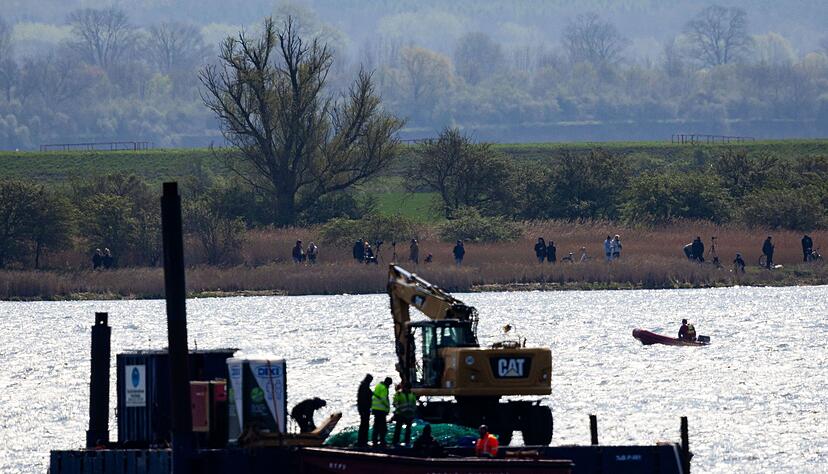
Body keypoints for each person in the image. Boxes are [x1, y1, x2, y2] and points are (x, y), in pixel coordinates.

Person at [371, 377, 393, 447]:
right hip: (381, 410)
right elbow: (384, 399)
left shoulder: (378, 386)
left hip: (375, 409)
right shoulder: (384, 388)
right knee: (383, 427)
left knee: (376, 426)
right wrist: (387, 407)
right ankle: (382, 441)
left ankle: (374, 441)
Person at [356, 374, 374, 447]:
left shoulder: (363, 386)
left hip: (363, 408)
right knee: (364, 425)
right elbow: (364, 399)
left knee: (364, 425)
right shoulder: (364, 387)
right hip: (364, 409)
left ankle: (362, 441)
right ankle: (363, 441)